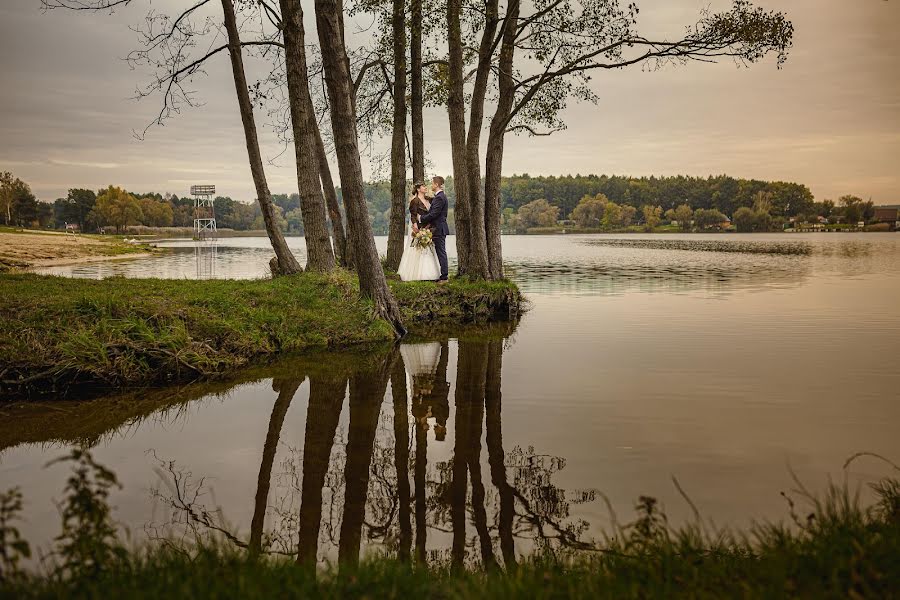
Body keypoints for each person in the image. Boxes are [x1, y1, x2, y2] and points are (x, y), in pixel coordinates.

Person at [397, 183, 442, 282]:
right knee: (418, 248)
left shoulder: (429, 199)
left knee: (429, 248)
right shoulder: (414, 201)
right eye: (423, 187)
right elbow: (413, 215)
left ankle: (431, 273)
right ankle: (417, 274)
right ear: (418, 189)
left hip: (429, 227)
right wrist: (415, 226)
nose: (426, 188)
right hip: (420, 227)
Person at [417, 176, 450, 283]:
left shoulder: (440, 197)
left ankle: (444, 276)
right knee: (439, 252)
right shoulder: (439, 197)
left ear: (436, 184)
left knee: (441, 252)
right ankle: (442, 274)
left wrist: (421, 218)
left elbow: (434, 214)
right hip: (437, 228)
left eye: (432, 183)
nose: (431, 185)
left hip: (439, 229)